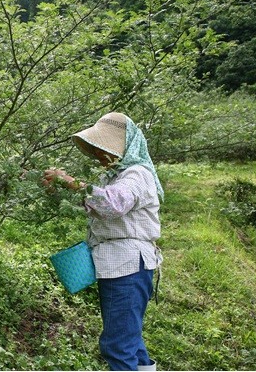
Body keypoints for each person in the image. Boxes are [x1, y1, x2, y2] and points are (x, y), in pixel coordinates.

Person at [42, 112, 163, 371]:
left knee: (118, 345)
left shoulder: (137, 174)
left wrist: (70, 182)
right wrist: (62, 188)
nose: (100, 154)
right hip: (120, 265)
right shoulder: (115, 176)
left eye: (104, 147)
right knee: (129, 337)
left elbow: (111, 203)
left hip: (128, 267)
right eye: (97, 148)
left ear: (124, 146)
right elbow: (95, 202)